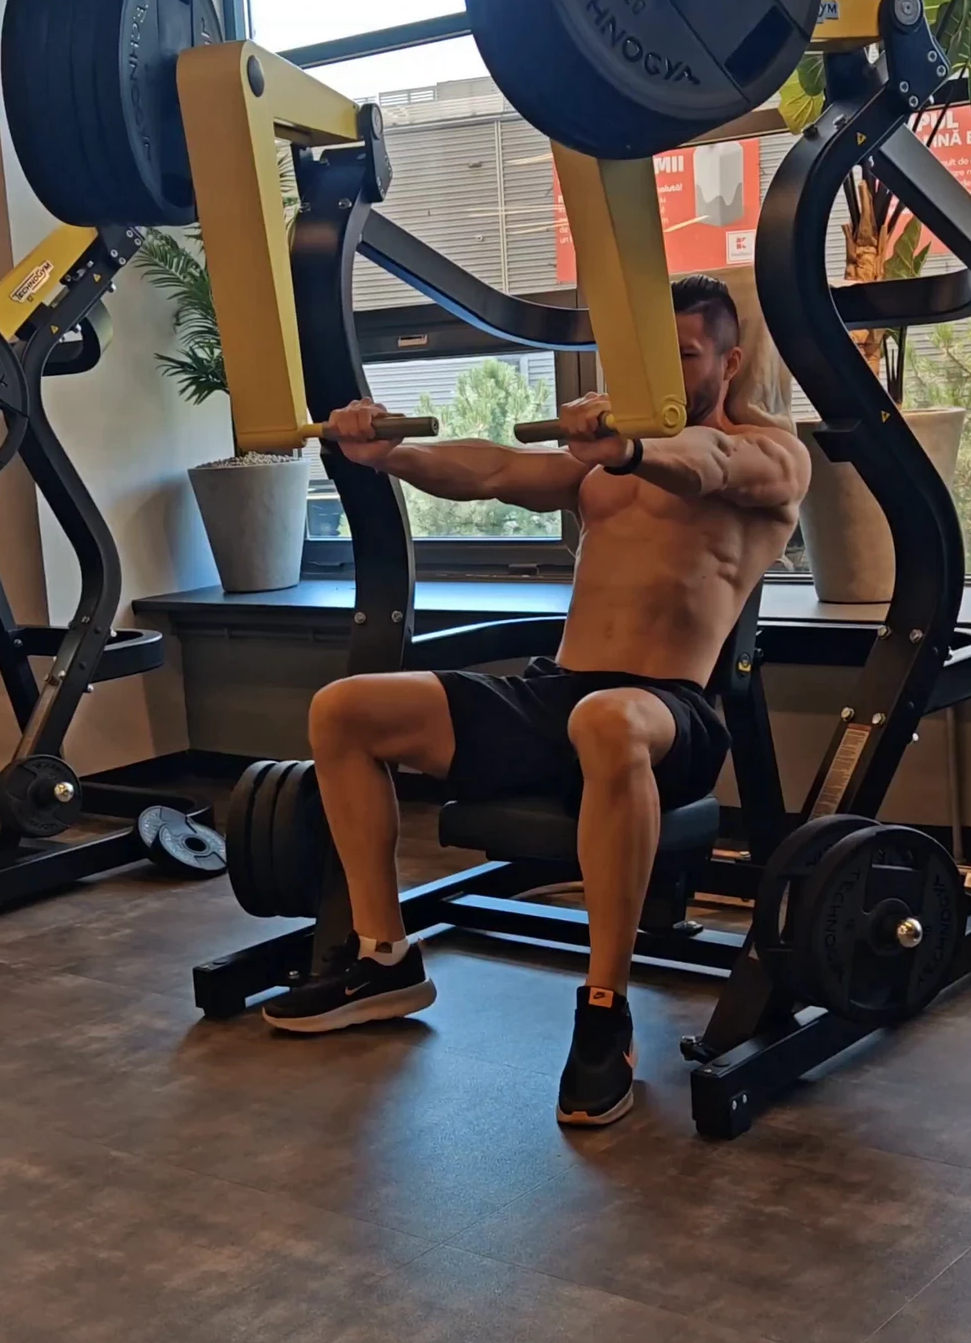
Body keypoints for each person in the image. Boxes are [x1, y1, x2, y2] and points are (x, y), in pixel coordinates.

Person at [265, 274, 810, 1126]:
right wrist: (387, 454)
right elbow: (493, 469)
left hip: (668, 713)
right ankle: (383, 959)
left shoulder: (771, 454)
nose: (663, 374)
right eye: (647, 357)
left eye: (685, 355)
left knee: (607, 717)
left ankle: (604, 1009)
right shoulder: (599, 466)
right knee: (345, 710)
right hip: (558, 695)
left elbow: (710, 463)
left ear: (729, 363)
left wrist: (630, 450)